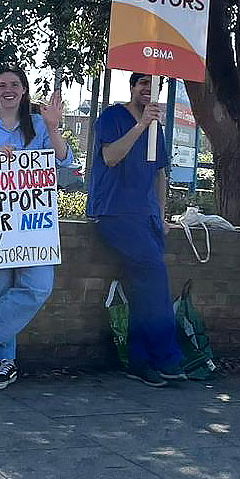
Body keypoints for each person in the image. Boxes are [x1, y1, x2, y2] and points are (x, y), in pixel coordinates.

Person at [0, 67, 74, 389]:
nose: (8, 90)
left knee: (37, 286)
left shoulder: (38, 124)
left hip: (32, 220)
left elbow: (64, 161)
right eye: (1, 85)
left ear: (24, 90)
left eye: (15, 85)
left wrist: (53, 127)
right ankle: (1, 362)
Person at [87, 72, 185, 388]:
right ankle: (167, 357)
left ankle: (140, 361)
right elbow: (110, 157)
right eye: (143, 83)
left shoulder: (159, 127)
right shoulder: (113, 117)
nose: (148, 89)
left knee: (144, 287)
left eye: (154, 85)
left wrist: (160, 216)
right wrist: (141, 125)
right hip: (113, 212)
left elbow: (160, 175)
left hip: (145, 218)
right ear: (132, 87)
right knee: (155, 274)